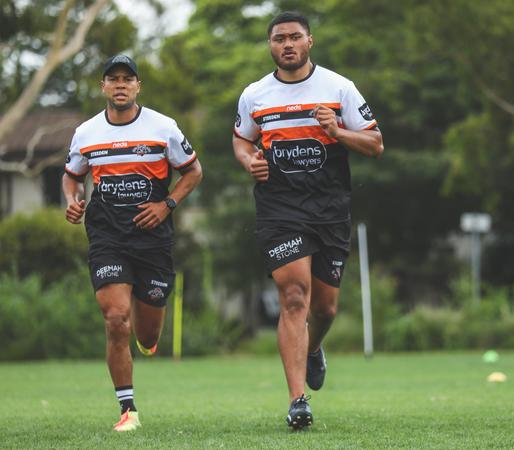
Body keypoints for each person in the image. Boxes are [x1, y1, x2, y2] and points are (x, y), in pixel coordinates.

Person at [232, 11, 384, 430]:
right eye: (279, 38)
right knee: (294, 297)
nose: (287, 44)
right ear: (271, 45)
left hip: (330, 210)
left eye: (294, 37)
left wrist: (338, 132)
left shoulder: (339, 87)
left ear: (309, 41)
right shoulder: (255, 95)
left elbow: (375, 142)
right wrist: (250, 161)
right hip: (279, 209)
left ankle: (313, 347)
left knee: (326, 308)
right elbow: (242, 139)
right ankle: (298, 400)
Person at [62, 54, 203, 432]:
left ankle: (147, 341)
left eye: (128, 78)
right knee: (115, 318)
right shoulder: (86, 133)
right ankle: (128, 409)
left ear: (138, 85)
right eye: (113, 79)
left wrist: (167, 204)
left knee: (146, 332)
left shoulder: (163, 127)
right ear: (103, 86)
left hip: (153, 237)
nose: (120, 84)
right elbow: (72, 177)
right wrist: (73, 200)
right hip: (107, 235)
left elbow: (193, 171)